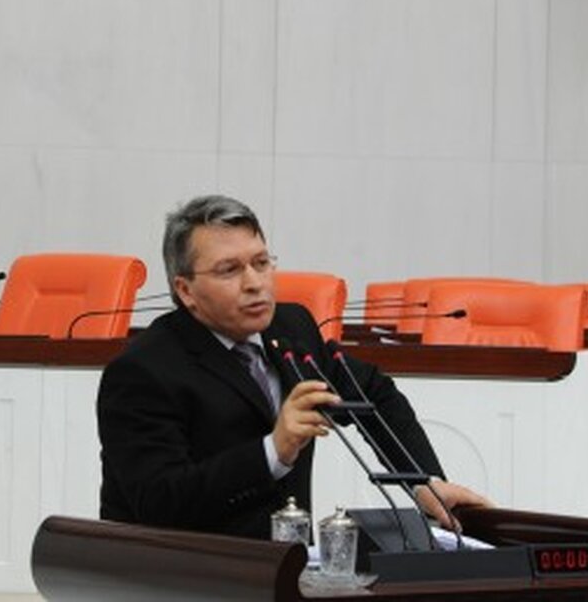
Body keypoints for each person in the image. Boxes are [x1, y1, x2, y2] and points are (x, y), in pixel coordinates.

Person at [97, 194, 488, 539]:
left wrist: (423, 482)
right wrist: (272, 451)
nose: (255, 283)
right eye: (229, 270)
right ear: (185, 290)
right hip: (182, 575)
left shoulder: (291, 329)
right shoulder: (143, 371)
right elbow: (158, 502)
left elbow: (373, 393)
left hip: (287, 569)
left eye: (261, 263)